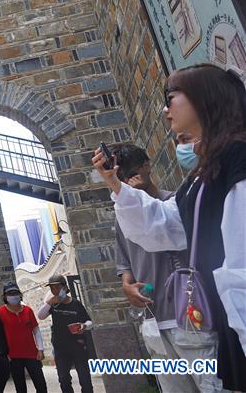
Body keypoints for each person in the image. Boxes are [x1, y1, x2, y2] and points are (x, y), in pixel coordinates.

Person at [94, 63, 246, 391]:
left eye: (171, 97)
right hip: (215, 319)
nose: (165, 110)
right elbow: (164, 226)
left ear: (205, 98)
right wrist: (117, 186)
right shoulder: (201, 177)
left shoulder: (238, 159)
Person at [110, 142, 217, 392]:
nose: (129, 182)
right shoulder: (122, 216)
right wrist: (127, 286)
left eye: (132, 173)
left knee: (212, 386)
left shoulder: (176, 203)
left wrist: (139, 199)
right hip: (153, 322)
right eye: (122, 178)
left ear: (146, 166)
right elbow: (124, 262)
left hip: (189, 316)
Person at [37, 275, 94, 393]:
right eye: (52, 288)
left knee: (85, 378)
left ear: (65, 287)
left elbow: (90, 322)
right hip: (60, 347)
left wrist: (84, 326)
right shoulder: (53, 305)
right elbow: (41, 316)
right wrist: (49, 302)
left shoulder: (76, 304)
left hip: (77, 345)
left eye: (57, 287)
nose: (55, 291)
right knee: (64, 379)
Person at [0, 282, 46, 393]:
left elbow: (36, 330)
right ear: (5, 296)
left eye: (15, 293)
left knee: (41, 385)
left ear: (20, 294)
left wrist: (40, 349)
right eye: (10, 293)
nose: (13, 296)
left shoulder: (28, 311)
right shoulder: (0, 313)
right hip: (13, 356)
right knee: (20, 388)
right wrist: (3, 353)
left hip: (32, 354)